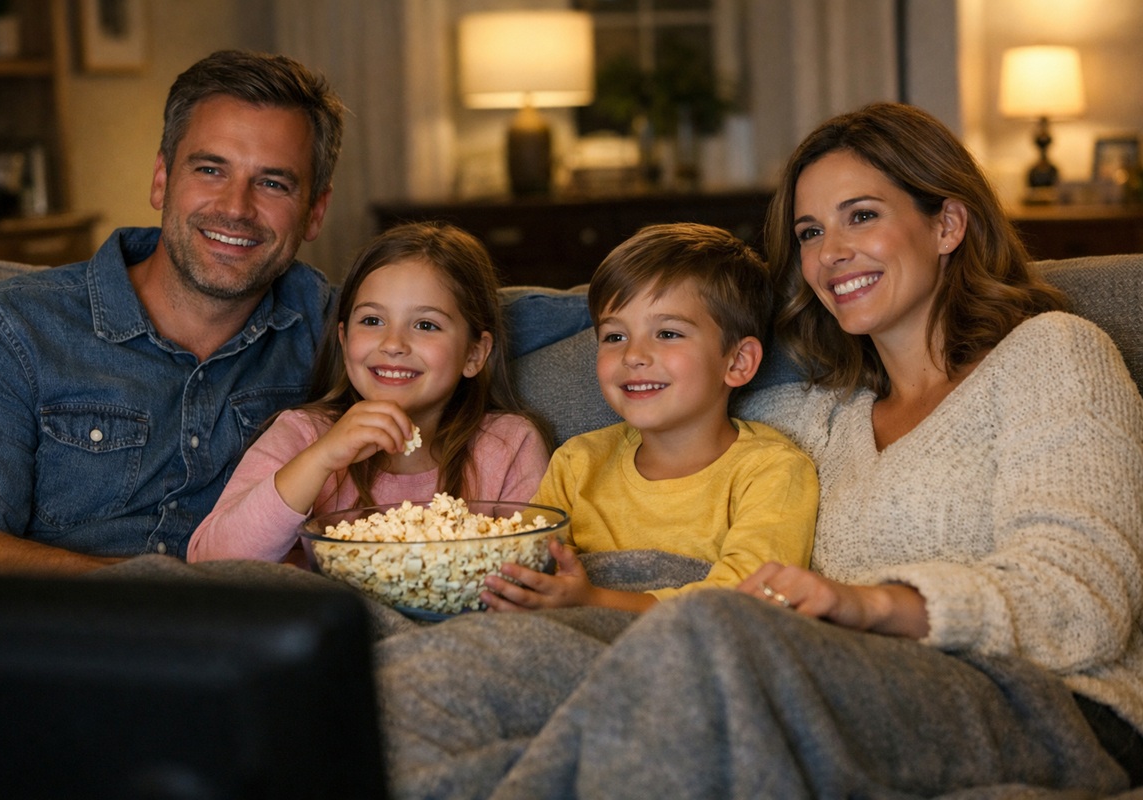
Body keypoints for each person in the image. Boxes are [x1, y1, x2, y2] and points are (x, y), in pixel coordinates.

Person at [374, 102, 1143, 797]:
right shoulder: (809, 413)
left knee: (711, 631)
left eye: (861, 216)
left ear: (947, 224)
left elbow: (1087, 597)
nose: (832, 253)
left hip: (1045, 703)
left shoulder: (1052, 353)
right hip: (821, 680)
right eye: (810, 233)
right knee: (434, 677)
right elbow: (645, 343)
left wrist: (870, 604)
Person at [0, 50, 345, 575]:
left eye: (273, 183)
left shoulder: (338, 330)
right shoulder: (6, 332)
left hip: (272, 639)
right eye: (209, 169)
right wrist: (166, 599)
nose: (235, 208)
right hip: (72, 639)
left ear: (315, 210)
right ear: (161, 179)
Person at [480, 223, 817, 614]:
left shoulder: (772, 471)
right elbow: (529, 563)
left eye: (668, 333)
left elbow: (745, 600)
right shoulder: (577, 461)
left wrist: (595, 600)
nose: (633, 355)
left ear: (737, 362)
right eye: (614, 337)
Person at [186, 221, 552, 563]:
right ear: (344, 342)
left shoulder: (509, 445)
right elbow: (211, 560)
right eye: (372, 321)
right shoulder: (303, 435)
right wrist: (321, 459)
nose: (393, 344)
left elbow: (532, 566)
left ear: (474, 354)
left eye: (426, 324)